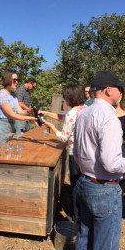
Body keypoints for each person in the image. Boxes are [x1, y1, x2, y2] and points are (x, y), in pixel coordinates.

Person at [73, 71, 125, 250]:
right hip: (104, 188)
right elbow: (112, 164)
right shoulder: (109, 118)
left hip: (84, 183)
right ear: (109, 90)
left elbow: (76, 152)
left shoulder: (83, 114)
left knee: (84, 242)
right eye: (119, 89)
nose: (121, 93)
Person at [39, 83, 86, 222]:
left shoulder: (72, 113)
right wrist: (47, 113)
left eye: (65, 97)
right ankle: (84, 212)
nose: (64, 100)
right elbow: (64, 117)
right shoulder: (85, 109)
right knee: (84, 183)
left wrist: (51, 126)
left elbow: (64, 137)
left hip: (75, 154)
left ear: (70, 98)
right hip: (87, 153)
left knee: (76, 184)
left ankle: (76, 216)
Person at [0, 70, 37, 150]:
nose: (17, 82)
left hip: (9, 128)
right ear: (8, 80)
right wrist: (31, 118)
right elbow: (12, 115)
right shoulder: (1, 95)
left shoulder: (13, 96)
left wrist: (30, 111)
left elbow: (20, 111)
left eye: (17, 80)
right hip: (0, 129)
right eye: (15, 80)